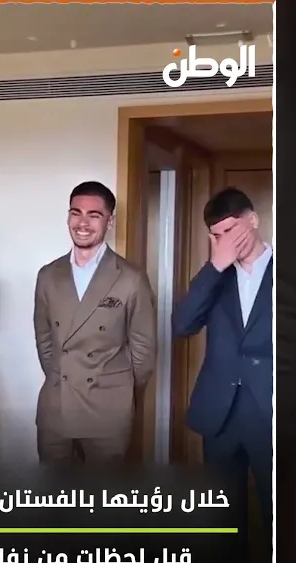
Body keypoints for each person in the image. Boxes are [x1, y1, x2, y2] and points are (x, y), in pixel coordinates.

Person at [173, 189, 278, 540]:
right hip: (221, 416)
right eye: (218, 236)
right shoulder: (214, 278)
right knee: (222, 523)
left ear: (253, 220)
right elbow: (182, 325)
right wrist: (216, 265)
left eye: (232, 230)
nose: (227, 242)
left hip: (271, 413)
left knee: (277, 518)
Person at [32, 181, 157, 465]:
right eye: (76, 213)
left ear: (109, 222)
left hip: (108, 408)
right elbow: (44, 340)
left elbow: (143, 351)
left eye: (94, 215)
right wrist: (62, 377)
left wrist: (119, 391)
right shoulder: (48, 275)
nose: (83, 223)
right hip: (56, 405)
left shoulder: (130, 277)